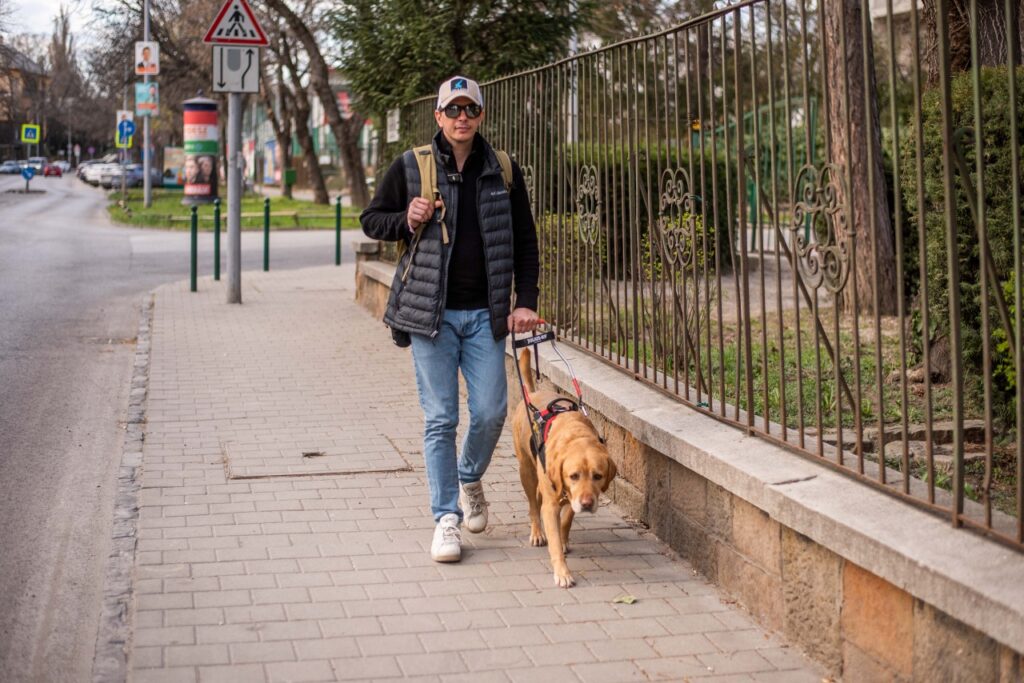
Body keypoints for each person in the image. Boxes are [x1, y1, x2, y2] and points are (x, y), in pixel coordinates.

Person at [360, 75, 540, 563]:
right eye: (453, 109)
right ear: (438, 116)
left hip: (485, 315)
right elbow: (371, 219)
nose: (463, 117)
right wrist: (407, 218)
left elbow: (525, 239)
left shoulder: (502, 169)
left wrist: (526, 298)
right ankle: (446, 519)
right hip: (430, 316)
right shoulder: (412, 166)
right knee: (441, 417)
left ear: (481, 116)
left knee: (490, 411)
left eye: (471, 110)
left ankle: (469, 477)